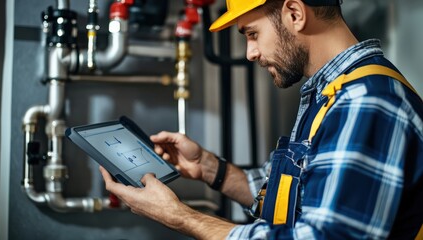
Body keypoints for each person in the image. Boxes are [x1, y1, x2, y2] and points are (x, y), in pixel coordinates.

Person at [100, 0, 423, 239]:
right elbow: (290, 198)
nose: (250, 52)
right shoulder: (331, 94)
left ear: (294, 13)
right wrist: (210, 168)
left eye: (252, 33)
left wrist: (181, 217)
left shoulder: (364, 101)